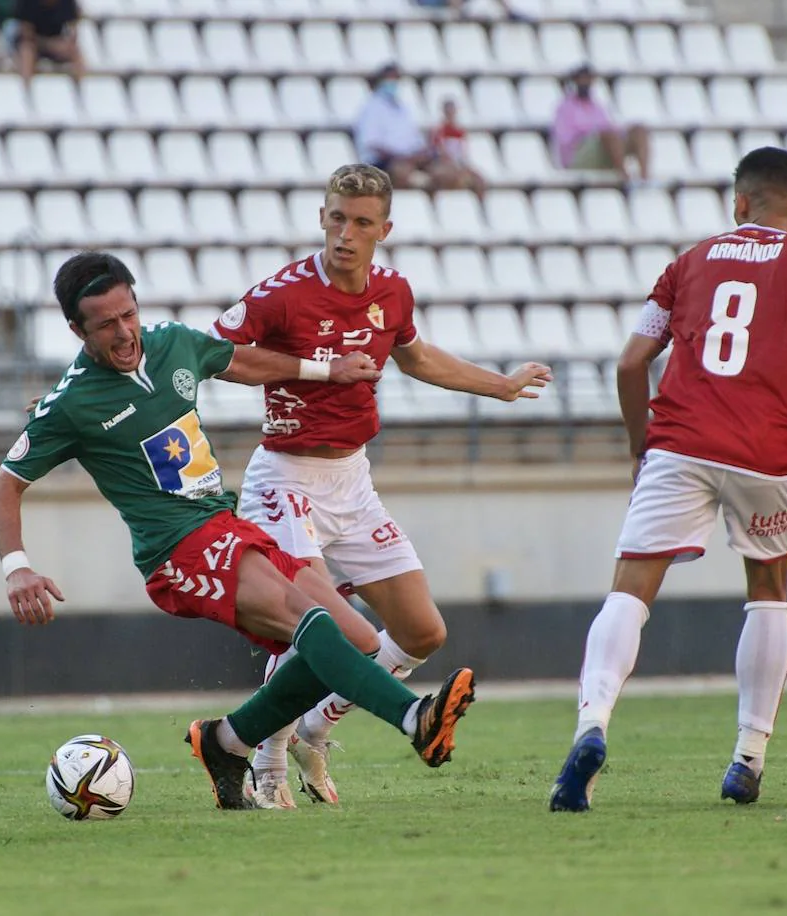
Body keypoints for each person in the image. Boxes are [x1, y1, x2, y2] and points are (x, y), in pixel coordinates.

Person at [0, 251, 477, 810]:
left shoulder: (171, 341)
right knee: (306, 619)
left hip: (225, 523)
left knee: (360, 644)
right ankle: (414, 718)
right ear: (76, 330)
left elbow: (240, 362)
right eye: (106, 325)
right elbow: (3, 486)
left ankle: (226, 741)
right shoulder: (71, 403)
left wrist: (327, 371)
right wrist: (16, 567)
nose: (125, 333)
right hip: (177, 550)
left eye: (129, 314)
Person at [208, 163, 553, 809]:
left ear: (384, 230)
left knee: (422, 632)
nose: (346, 233)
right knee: (316, 627)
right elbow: (216, 355)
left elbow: (417, 357)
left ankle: (315, 725)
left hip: (352, 480)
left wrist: (499, 384)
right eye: (337, 217)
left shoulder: (392, 292)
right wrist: (320, 369)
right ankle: (270, 757)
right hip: (286, 479)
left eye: (361, 222)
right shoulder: (282, 294)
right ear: (322, 217)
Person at [548, 147, 787, 813]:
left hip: (681, 442)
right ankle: (748, 759)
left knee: (631, 591)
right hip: (770, 452)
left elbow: (631, 361)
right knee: (768, 593)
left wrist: (642, 448)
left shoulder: (690, 263)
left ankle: (593, 724)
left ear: (738, 203)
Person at [354, 63, 466, 191]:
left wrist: (420, 155)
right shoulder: (370, 108)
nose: (393, 83)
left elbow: (416, 141)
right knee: (402, 172)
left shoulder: (403, 108)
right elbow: (372, 145)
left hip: (410, 160)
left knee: (446, 172)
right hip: (386, 163)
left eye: (396, 79)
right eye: (390, 79)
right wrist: (402, 157)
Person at [551, 65, 649, 185]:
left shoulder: (597, 107)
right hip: (579, 155)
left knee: (638, 131)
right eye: (582, 79)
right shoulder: (565, 108)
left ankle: (644, 178)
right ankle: (624, 178)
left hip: (601, 148)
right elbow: (565, 141)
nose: (585, 83)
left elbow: (609, 127)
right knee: (608, 135)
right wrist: (591, 135)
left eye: (588, 79)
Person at [14, 0, 84, 79]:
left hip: (57, 43)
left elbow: (73, 31)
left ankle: (81, 86)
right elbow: (26, 34)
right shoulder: (26, 2)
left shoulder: (67, 2)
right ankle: (27, 88)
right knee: (26, 51)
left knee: (74, 51)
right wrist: (50, 45)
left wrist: (65, 43)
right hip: (34, 44)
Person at [431, 99, 486, 196]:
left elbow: (462, 152)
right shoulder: (439, 131)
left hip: (458, 163)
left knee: (479, 180)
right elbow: (440, 152)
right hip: (445, 164)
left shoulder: (460, 132)